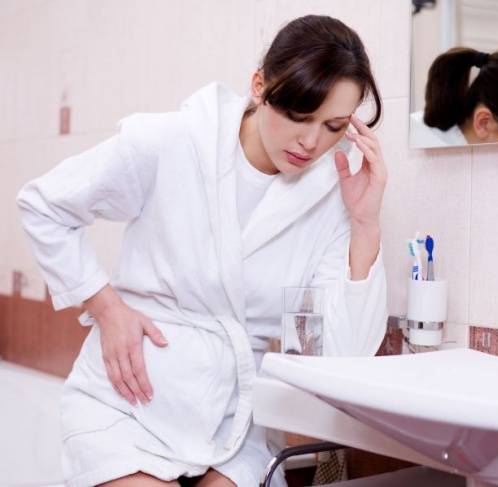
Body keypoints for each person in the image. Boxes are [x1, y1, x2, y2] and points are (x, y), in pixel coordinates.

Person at [16, 15, 388, 487]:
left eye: (333, 126)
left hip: (235, 424)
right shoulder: (173, 141)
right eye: (299, 115)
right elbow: (44, 205)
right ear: (259, 86)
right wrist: (107, 308)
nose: (311, 142)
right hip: (128, 407)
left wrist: (365, 223)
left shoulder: (331, 192)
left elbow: (344, 355)